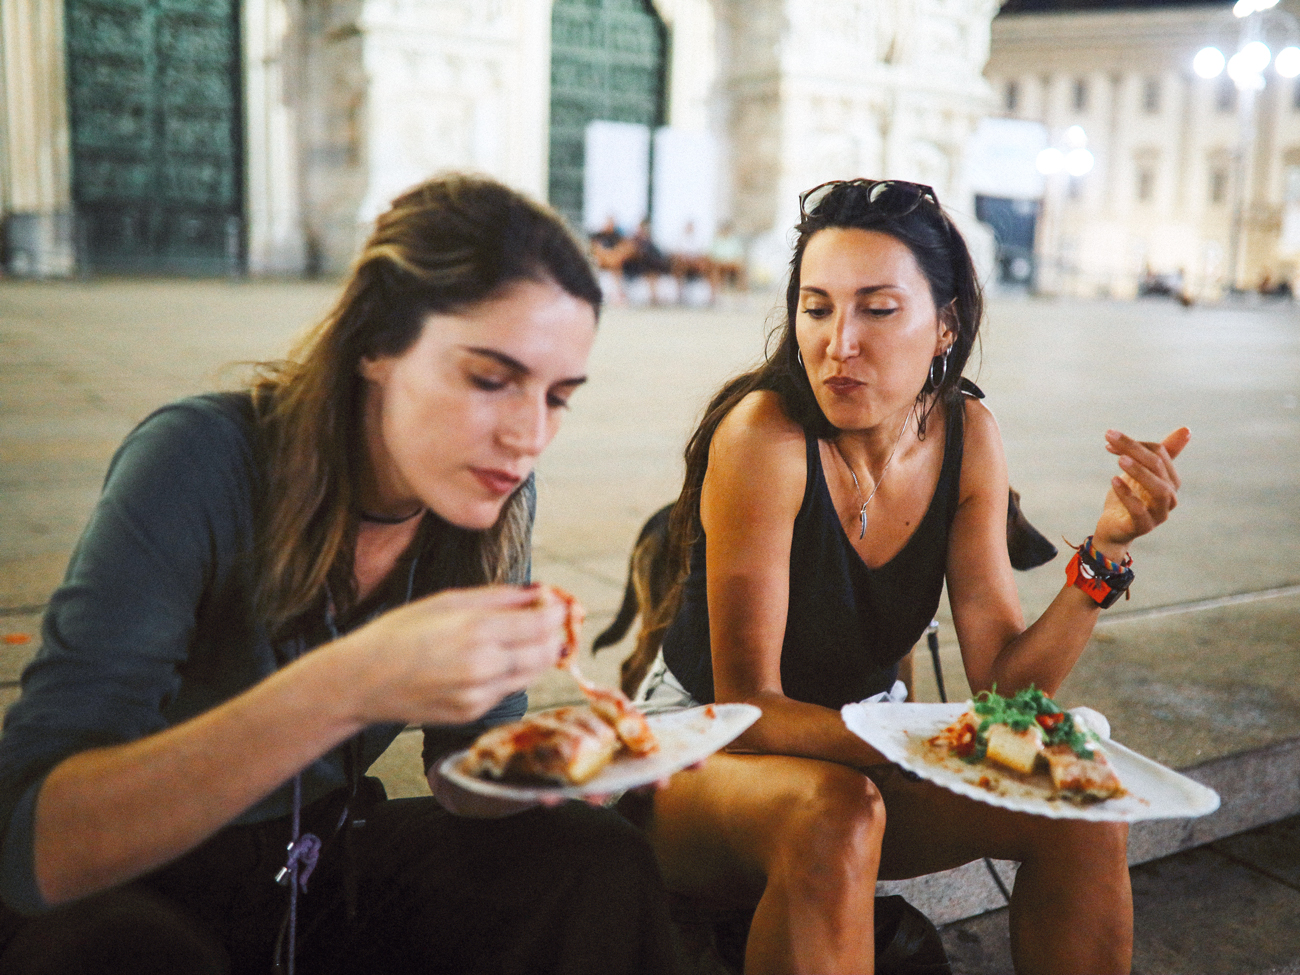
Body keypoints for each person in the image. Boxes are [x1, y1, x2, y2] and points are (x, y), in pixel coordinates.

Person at [0, 175, 690, 975]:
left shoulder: (491, 498)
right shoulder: (200, 459)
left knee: (588, 858)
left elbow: (462, 766)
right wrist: (348, 686)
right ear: (376, 343)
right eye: (489, 379)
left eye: (559, 396)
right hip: (140, 878)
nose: (528, 434)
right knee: (112, 953)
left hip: (318, 862)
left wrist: (556, 760)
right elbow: (34, 847)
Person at [631, 178, 1189, 974]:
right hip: (703, 748)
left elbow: (1004, 680)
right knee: (835, 811)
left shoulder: (968, 432)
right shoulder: (765, 435)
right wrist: (927, 739)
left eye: (878, 309)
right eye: (817, 307)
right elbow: (745, 707)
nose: (839, 342)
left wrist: (1107, 549)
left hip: (867, 742)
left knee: (1082, 801)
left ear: (944, 325)